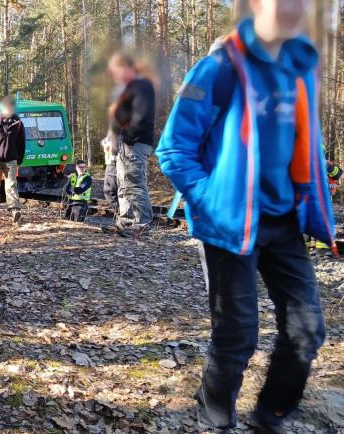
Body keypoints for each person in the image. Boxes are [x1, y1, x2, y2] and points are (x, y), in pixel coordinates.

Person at [156, 1, 335, 432]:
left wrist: (318, 207)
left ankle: (268, 417)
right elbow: (174, 148)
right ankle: (215, 405)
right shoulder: (214, 69)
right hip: (230, 225)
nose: (295, 8)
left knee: (307, 329)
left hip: (285, 221)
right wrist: (208, 199)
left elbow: (308, 146)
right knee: (238, 337)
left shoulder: (300, 67)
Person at [108, 53, 156, 232]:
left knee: (134, 183)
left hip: (135, 142)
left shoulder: (142, 85)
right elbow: (119, 115)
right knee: (122, 183)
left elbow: (141, 115)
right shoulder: (127, 88)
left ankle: (142, 224)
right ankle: (125, 221)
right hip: (124, 143)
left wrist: (129, 139)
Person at [101, 132, 119, 214]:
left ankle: (120, 212)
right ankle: (120, 212)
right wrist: (107, 143)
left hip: (115, 165)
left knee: (111, 190)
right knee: (109, 190)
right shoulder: (113, 134)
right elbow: (103, 142)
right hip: (110, 165)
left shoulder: (122, 133)